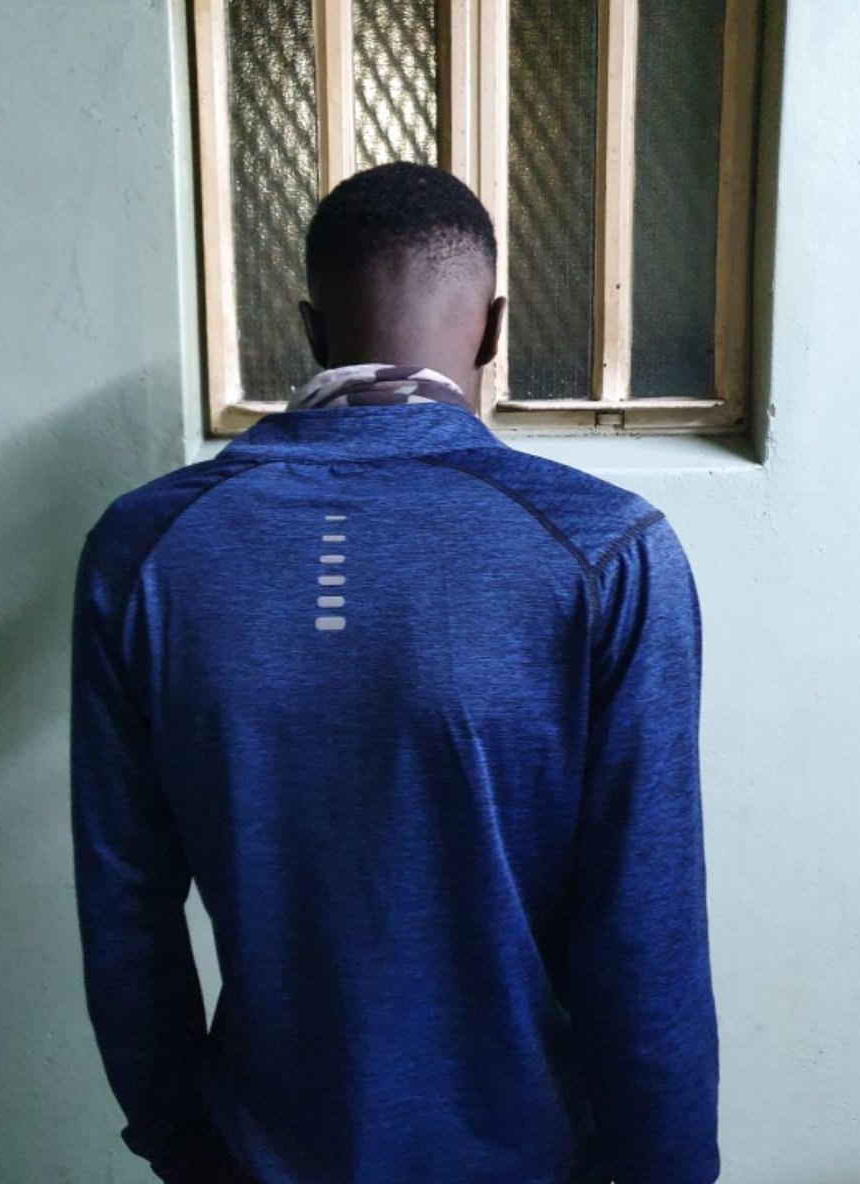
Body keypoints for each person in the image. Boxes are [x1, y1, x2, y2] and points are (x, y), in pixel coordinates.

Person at [71, 161, 719, 1184]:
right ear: (494, 330)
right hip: (529, 1154)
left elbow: (124, 908)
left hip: (260, 1147)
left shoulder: (142, 550)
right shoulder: (608, 551)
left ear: (309, 329)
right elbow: (648, 922)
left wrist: (181, 1144)